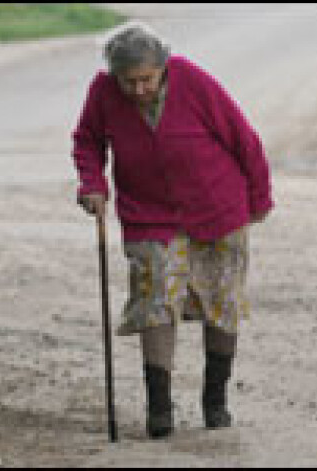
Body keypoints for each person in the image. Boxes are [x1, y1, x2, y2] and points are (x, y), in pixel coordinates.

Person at [71, 24, 274, 439]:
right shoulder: (104, 92)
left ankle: (215, 402)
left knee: (221, 301)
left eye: (147, 79)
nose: (139, 89)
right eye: (129, 82)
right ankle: (159, 407)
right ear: (115, 76)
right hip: (149, 214)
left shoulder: (193, 81)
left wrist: (258, 199)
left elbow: (243, 138)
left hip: (216, 207)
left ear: (163, 68)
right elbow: (88, 141)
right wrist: (92, 185)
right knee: (154, 299)